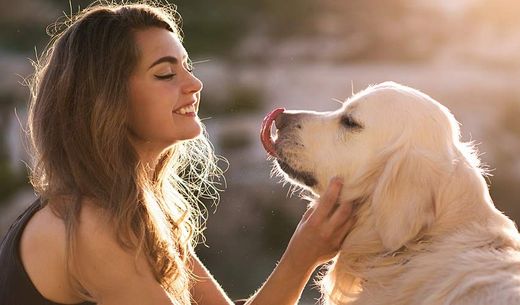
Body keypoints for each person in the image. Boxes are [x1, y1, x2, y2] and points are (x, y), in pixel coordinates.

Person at [0, 1, 354, 304]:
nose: (194, 84)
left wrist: (305, 251)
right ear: (107, 100)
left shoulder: (135, 206)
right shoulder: (90, 226)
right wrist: (301, 257)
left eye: (187, 66)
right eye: (166, 74)